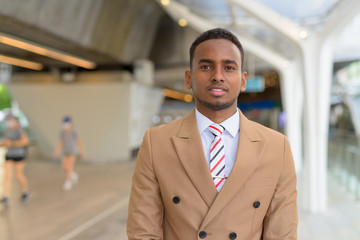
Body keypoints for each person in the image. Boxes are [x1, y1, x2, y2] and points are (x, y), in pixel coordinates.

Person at [127, 28, 298, 239]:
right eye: (206, 66)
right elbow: (142, 231)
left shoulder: (276, 147)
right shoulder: (157, 143)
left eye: (228, 67)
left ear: (243, 80)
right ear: (188, 78)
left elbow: (282, 234)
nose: (218, 76)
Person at [0, 114, 30, 207]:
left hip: (19, 155)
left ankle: (26, 191)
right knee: (7, 175)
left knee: (19, 175)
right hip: (9, 155)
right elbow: (7, 142)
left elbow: (25, 142)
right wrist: (3, 144)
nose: (8, 123)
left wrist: (12, 143)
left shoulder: (20, 130)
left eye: (9, 120)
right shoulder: (8, 130)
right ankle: (6, 196)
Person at [53, 116, 85, 191]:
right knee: (64, 167)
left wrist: (82, 150)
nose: (65, 126)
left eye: (67, 124)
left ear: (71, 123)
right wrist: (56, 151)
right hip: (65, 152)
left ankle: (68, 182)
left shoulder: (74, 131)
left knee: (69, 166)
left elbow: (78, 141)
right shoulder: (62, 132)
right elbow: (61, 142)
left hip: (73, 151)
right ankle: (73, 175)